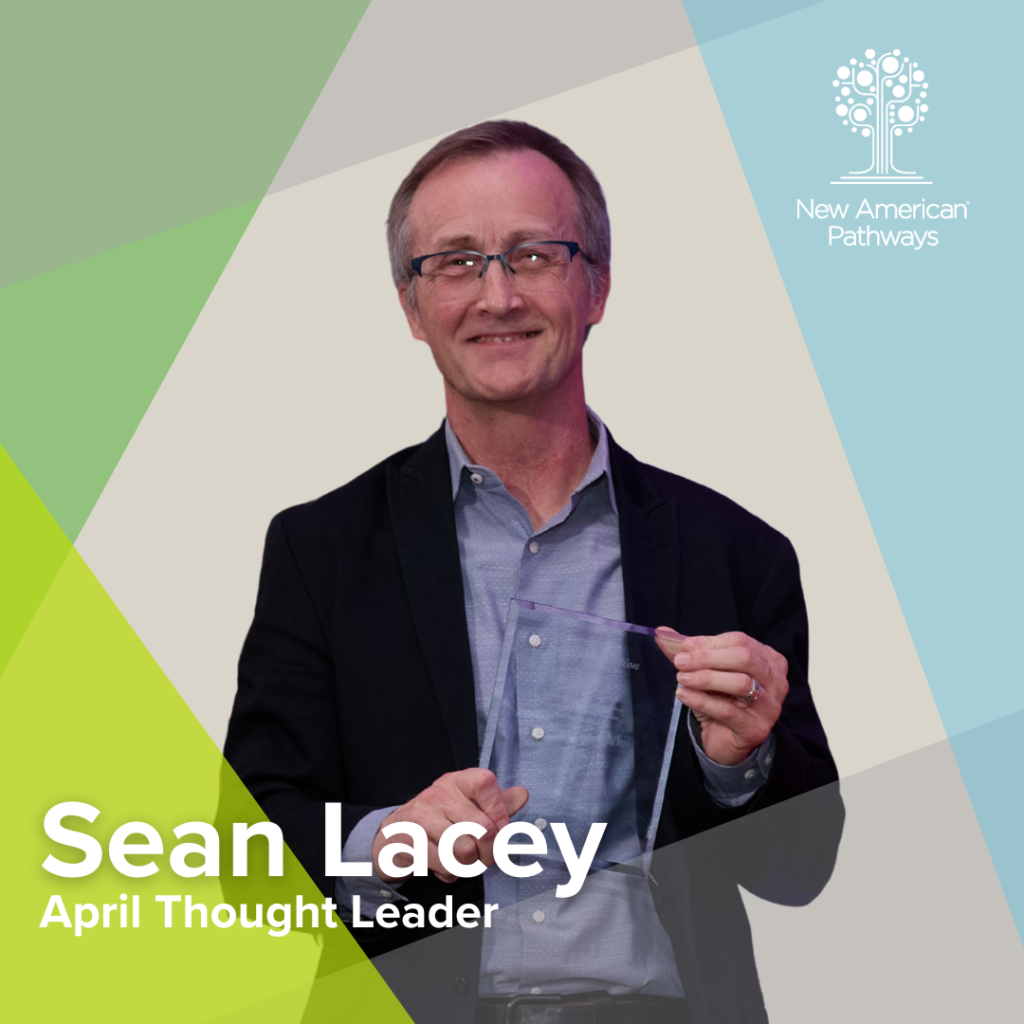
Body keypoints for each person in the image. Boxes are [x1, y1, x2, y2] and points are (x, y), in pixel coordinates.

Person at [223, 121, 844, 1024]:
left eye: (534, 255)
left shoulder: (735, 551)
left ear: (595, 286)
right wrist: (385, 842)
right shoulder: (321, 551)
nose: (498, 294)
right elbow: (248, 852)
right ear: (410, 305)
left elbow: (799, 869)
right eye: (457, 262)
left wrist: (740, 763)